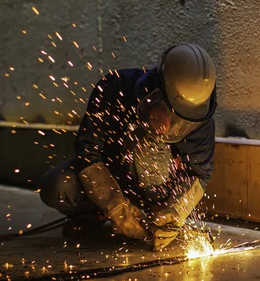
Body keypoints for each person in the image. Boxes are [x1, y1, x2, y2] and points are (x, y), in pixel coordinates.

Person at [39, 43, 217, 251]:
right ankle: (94, 216)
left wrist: (173, 213)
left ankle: (154, 222)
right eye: (170, 112)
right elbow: (87, 153)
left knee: (150, 152)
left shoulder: (200, 119)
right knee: (58, 186)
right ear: (157, 88)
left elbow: (199, 175)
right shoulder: (114, 88)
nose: (173, 125)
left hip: (156, 192)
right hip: (109, 179)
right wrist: (115, 207)